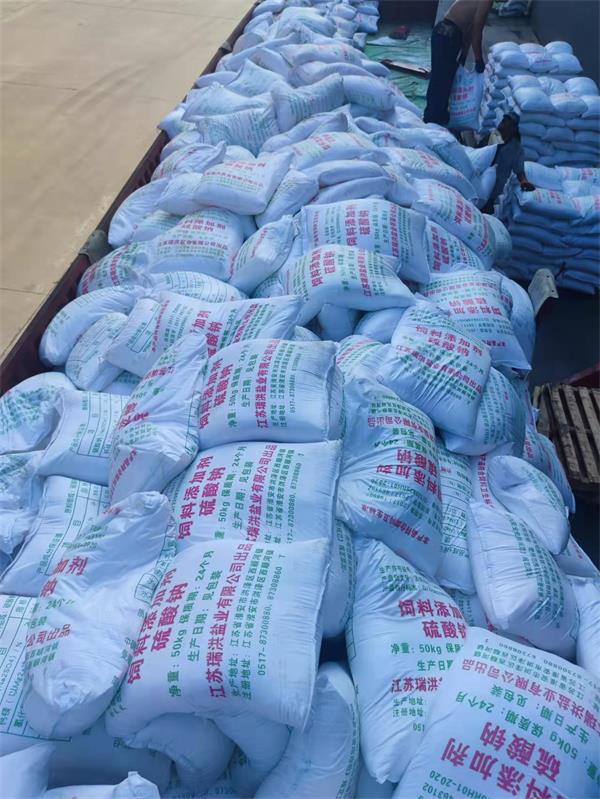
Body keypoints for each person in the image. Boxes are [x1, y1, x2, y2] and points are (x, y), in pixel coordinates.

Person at [424, 0, 493, 126]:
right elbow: (477, 31)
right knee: (442, 79)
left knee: (443, 77)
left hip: (442, 32)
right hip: (448, 35)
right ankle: (433, 118)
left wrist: (464, 54)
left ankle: (437, 115)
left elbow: (470, 29)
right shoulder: (486, 1)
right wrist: (478, 59)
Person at [482, 112, 535, 213]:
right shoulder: (492, 137)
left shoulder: (515, 148)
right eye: (503, 121)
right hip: (480, 181)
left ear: (513, 129)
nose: (503, 124)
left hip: (494, 190)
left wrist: (524, 181)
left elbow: (519, 170)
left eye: (507, 123)